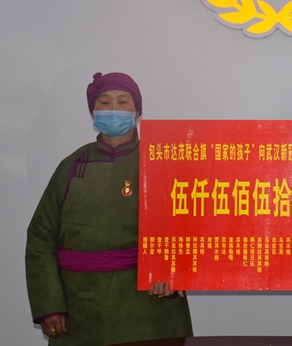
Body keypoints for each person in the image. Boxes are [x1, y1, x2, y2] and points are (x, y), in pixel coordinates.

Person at [25, 72, 193, 345]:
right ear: (93, 112)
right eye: (104, 102)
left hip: (150, 307)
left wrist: (173, 271)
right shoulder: (71, 166)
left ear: (138, 112)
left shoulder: (163, 161)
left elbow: (192, 227)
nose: (113, 109)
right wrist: (49, 305)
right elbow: (40, 239)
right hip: (79, 307)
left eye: (123, 101)